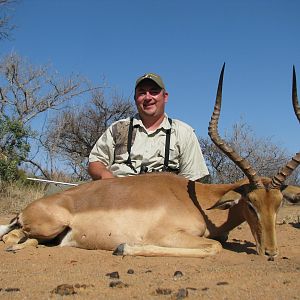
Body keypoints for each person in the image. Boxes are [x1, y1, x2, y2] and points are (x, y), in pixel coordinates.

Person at [88, 73, 209, 181]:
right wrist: (105, 175)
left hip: (164, 200)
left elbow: (192, 179)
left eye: (154, 92)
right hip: (118, 195)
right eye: (142, 93)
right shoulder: (118, 128)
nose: (147, 97)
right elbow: (95, 162)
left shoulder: (184, 132)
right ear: (135, 99)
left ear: (165, 97)